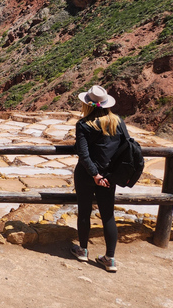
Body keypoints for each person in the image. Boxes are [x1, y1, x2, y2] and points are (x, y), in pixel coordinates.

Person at [71, 85, 126, 273]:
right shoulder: (118, 122)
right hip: (109, 176)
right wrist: (106, 173)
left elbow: (84, 155)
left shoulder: (84, 125)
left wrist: (95, 174)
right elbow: (125, 148)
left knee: (84, 211)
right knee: (108, 215)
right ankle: (110, 258)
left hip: (87, 175)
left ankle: (83, 250)